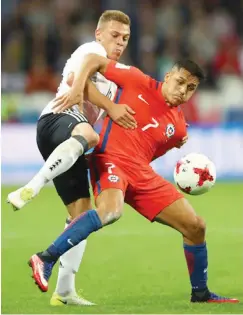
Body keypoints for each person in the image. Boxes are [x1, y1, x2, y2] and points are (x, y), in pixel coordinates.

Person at [28, 54, 239, 303]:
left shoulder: (179, 128)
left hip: (141, 173)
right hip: (111, 160)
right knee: (110, 212)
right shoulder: (137, 80)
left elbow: (149, 152)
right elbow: (92, 59)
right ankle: (46, 257)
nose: (183, 91)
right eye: (180, 82)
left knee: (196, 227)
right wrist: (84, 93)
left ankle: (200, 293)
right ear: (168, 77)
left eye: (190, 88)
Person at [8, 10, 137, 306]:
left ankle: (64, 290)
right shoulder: (90, 50)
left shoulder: (116, 78)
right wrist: (110, 106)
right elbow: (75, 80)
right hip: (57, 119)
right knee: (89, 135)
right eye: (115, 36)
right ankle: (32, 187)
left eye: (125, 39)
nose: (119, 43)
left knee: (81, 216)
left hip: (72, 141)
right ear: (99, 34)